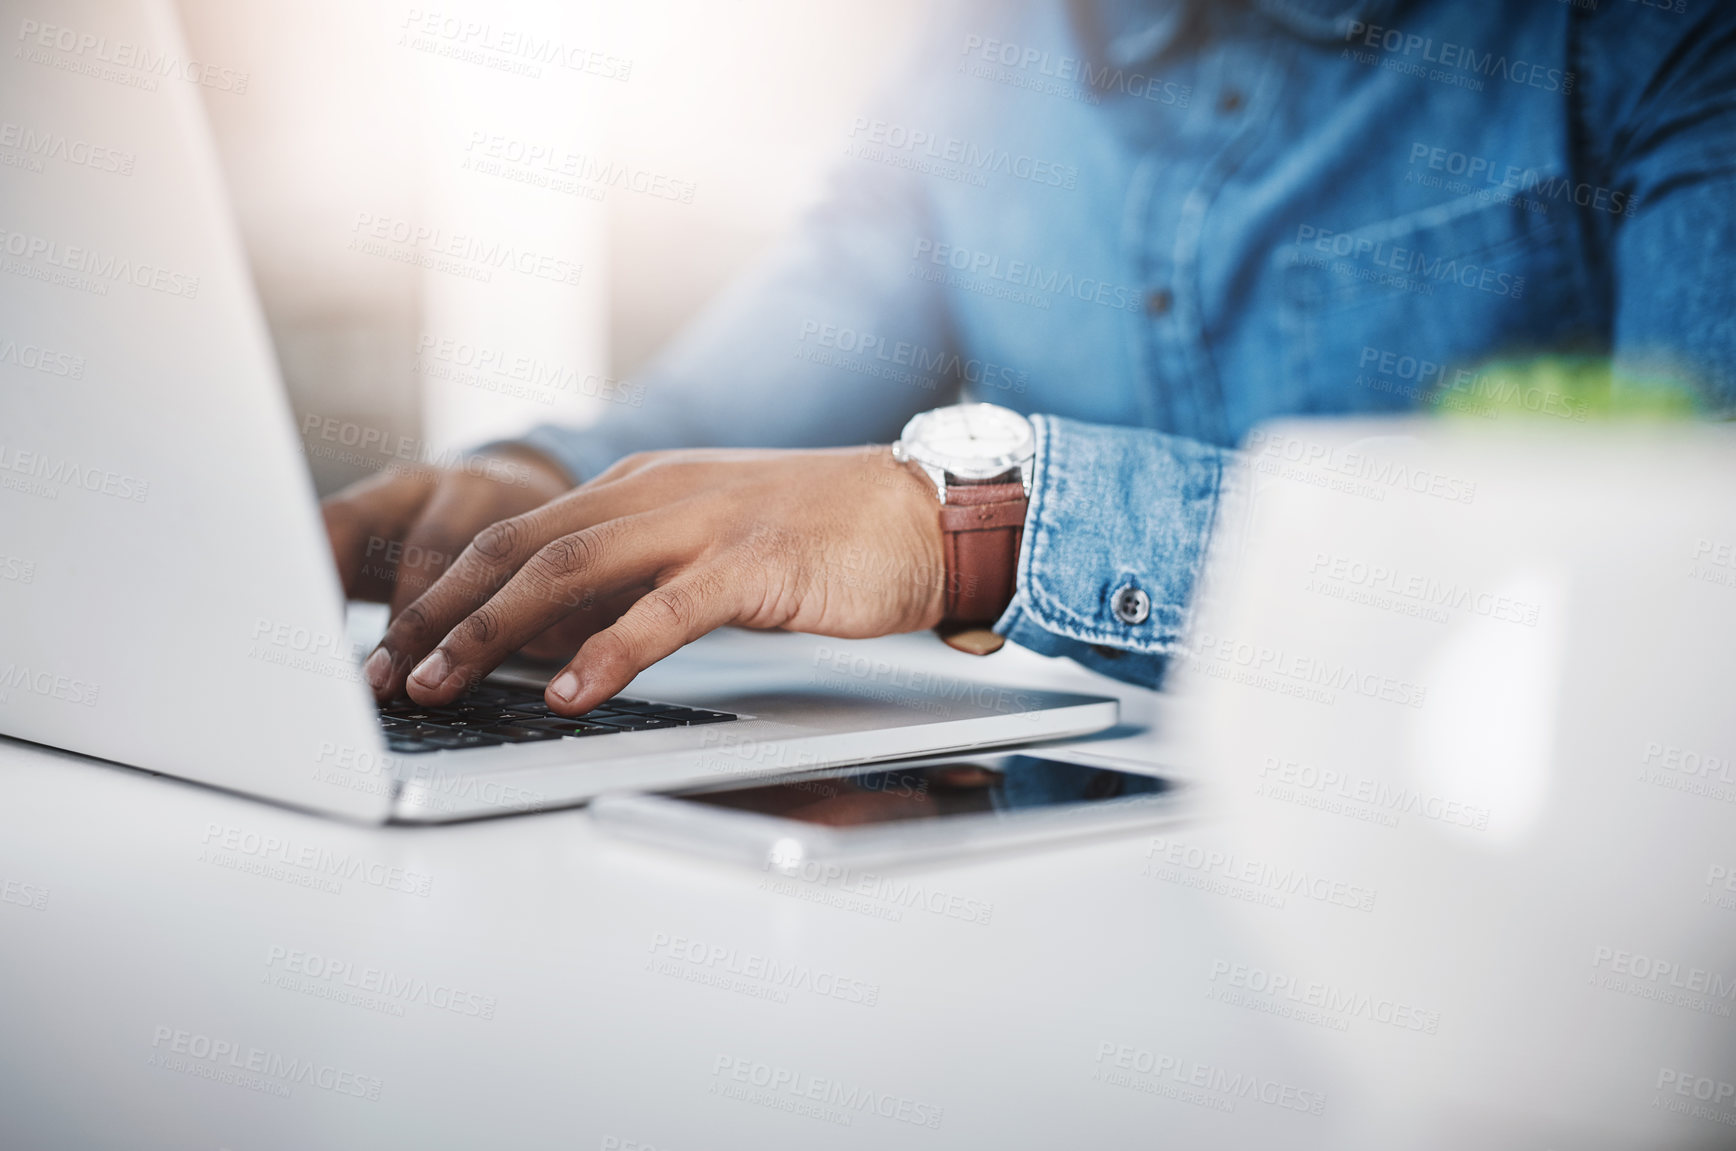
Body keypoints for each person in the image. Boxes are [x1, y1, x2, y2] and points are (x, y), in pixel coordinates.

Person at [322, 0, 1736, 716]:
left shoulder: (1661, 38)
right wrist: (523, 487)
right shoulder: (976, 59)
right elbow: (760, 375)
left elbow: (1692, 587)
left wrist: (974, 526)